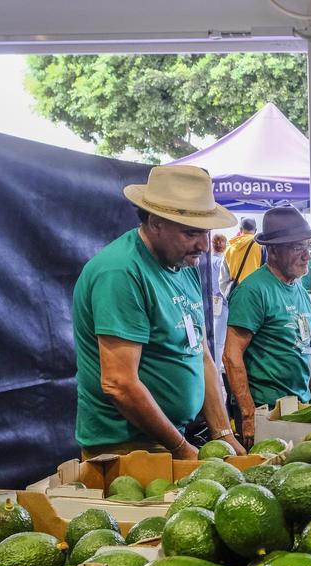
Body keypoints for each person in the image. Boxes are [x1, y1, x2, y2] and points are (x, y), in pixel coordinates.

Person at [72, 165, 242, 460]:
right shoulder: (121, 271)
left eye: (206, 232)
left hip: (172, 440)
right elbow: (119, 383)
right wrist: (181, 449)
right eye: (191, 232)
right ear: (155, 222)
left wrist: (225, 436)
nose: (203, 245)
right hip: (126, 449)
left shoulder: (183, 263)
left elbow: (199, 354)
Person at [224, 206, 311, 448]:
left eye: (308, 246)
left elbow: (299, 350)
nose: (306, 255)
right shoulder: (253, 291)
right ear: (274, 251)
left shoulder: (298, 288)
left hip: (299, 407)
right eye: (297, 247)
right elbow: (231, 356)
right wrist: (248, 414)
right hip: (265, 411)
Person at [223, 217, 261, 291]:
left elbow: (223, 278)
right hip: (256, 292)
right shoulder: (261, 246)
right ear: (255, 230)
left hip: (236, 292)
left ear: (240, 230)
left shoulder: (229, 247)